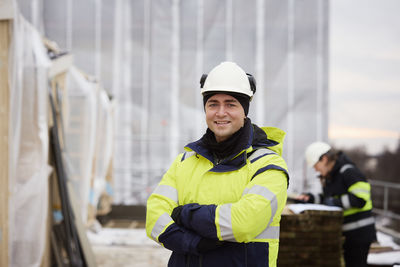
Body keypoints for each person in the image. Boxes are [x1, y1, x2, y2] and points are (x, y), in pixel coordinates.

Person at [146, 61, 289, 267]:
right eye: (213, 104)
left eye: (231, 104)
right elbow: (154, 218)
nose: (221, 113)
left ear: (244, 111)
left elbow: (243, 223)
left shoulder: (268, 164)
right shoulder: (185, 162)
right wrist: (192, 242)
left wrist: (184, 214)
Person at [297, 141, 376, 267]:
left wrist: (334, 202)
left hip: (359, 234)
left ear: (324, 159)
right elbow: (328, 199)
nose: (315, 169)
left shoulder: (349, 171)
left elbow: (360, 199)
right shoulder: (332, 176)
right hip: (347, 234)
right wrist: (310, 198)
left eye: (315, 165)